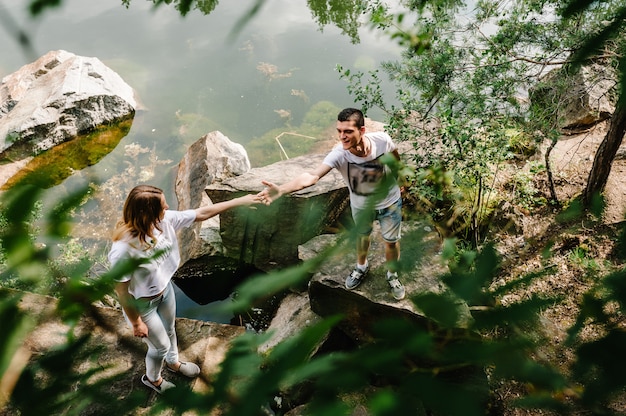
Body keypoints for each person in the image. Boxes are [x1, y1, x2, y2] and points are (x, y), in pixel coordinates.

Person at [108, 185, 260, 394]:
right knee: (159, 346)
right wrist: (136, 323)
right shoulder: (123, 250)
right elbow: (122, 292)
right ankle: (153, 379)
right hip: (142, 305)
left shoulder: (163, 221)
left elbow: (201, 213)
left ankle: (173, 363)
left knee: (170, 330)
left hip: (165, 291)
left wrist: (241, 201)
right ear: (147, 213)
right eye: (162, 205)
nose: (168, 207)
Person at [258, 108, 406, 300]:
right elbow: (312, 176)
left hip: (390, 202)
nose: (342, 137)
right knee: (362, 237)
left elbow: (395, 158)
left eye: (348, 132)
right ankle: (361, 267)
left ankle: (392, 274)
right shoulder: (339, 154)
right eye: (339, 131)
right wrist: (283, 189)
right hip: (362, 206)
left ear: (362, 131)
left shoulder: (381, 140)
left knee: (392, 242)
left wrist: (400, 179)